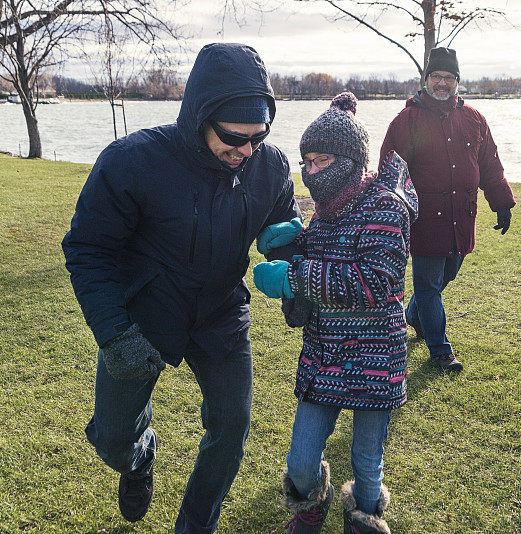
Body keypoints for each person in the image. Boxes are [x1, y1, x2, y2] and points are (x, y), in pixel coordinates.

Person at [61, 43, 302, 533]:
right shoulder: (131, 162)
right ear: (200, 117)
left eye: (259, 136)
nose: (246, 150)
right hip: (143, 317)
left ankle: (195, 525)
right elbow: (88, 249)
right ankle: (138, 456)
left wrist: (292, 265)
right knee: (110, 438)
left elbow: (282, 228)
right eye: (234, 136)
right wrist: (114, 333)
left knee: (231, 432)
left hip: (220, 315)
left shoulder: (270, 166)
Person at [252, 93, 417, 534]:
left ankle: (363, 519)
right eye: (305, 161)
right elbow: (325, 254)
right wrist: (291, 243)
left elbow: (374, 281)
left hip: (375, 359)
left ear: (349, 158)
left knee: (367, 464)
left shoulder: (384, 206)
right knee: (301, 460)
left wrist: (296, 276)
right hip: (324, 356)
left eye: (320, 160)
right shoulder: (323, 213)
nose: (310, 171)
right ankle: (312, 500)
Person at [380, 46, 516, 373]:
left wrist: (501, 203)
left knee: (446, 276)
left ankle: (413, 316)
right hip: (423, 220)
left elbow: (490, 165)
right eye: (436, 76)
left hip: (461, 218)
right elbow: (390, 172)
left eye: (449, 77)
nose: (442, 83)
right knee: (428, 286)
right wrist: (392, 216)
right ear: (426, 79)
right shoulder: (406, 121)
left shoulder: (474, 119)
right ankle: (440, 350)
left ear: (457, 81)